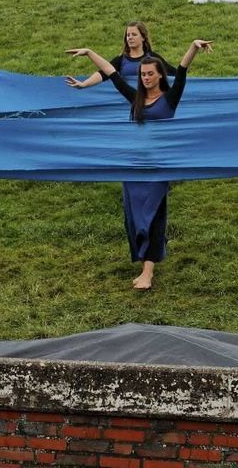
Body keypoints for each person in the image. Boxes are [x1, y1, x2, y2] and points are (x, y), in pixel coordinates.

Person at [66, 38, 213, 289]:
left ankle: (148, 272)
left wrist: (192, 47)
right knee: (135, 218)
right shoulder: (135, 98)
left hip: (158, 166)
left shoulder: (170, 98)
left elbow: (183, 70)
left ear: (159, 76)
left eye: (149, 74)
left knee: (153, 215)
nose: (144, 78)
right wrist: (90, 52)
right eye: (142, 74)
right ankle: (149, 256)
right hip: (134, 165)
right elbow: (113, 74)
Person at [64, 21, 177, 89]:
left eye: (134, 34)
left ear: (143, 37)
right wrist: (84, 84)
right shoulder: (121, 60)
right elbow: (103, 74)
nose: (130, 37)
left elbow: (177, 75)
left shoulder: (154, 58)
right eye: (128, 35)